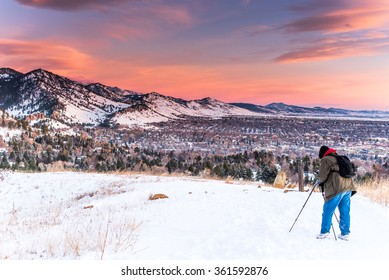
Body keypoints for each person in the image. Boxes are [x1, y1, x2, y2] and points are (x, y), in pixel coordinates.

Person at [316, 145, 356, 241]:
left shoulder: (326, 159)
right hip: (348, 187)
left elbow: (322, 177)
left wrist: (319, 178)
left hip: (336, 188)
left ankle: (324, 232)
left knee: (328, 210)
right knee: (345, 211)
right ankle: (345, 233)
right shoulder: (339, 158)